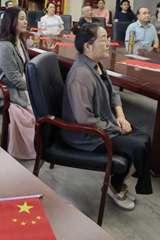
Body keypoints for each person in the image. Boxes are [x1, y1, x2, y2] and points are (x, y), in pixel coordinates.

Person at [62, 23, 152, 210]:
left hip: (104, 124)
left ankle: (116, 183)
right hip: (87, 135)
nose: (108, 43)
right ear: (88, 46)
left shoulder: (97, 65)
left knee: (144, 139)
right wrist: (116, 128)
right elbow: (84, 119)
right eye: (103, 40)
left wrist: (121, 117)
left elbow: (113, 94)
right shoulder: (81, 75)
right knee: (137, 147)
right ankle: (114, 186)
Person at [0, 7, 36, 160]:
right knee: (34, 109)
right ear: (11, 22)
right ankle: (31, 147)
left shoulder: (20, 40)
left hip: (21, 84)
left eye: (25, 18)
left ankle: (42, 143)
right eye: (22, 19)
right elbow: (13, 78)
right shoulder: (5, 46)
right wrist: (33, 89)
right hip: (8, 89)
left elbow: (26, 67)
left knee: (44, 104)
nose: (26, 22)